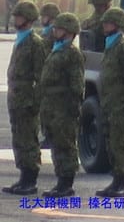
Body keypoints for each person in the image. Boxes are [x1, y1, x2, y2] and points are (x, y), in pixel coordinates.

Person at [96, 8, 124, 198]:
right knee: (111, 142)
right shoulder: (111, 45)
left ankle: (122, 182)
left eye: (109, 23)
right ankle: (115, 179)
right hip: (109, 103)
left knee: (120, 142)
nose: (105, 26)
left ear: (118, 25)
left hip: (120, 105)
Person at [38, 12, 84, 198]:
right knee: (56, 145)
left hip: (63, 108)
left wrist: (72, 109)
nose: (55, 31)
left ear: (69, 32)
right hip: (52, 107)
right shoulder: (57, 50)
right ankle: (60, 181)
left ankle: (66, 183)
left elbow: (77, 85)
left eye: (59, 28)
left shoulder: (72, 54)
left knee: (65, 145)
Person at [2, 1, 46, 195]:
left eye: (18, 17)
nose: (15, 19)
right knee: (19, 138)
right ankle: (23, 177)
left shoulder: (35, 43)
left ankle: (30, 179)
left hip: (27, 101)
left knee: (28, 139)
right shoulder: (20, 40)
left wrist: (34, 101)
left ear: (27, 19)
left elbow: (40, 75)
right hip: (16, 100)